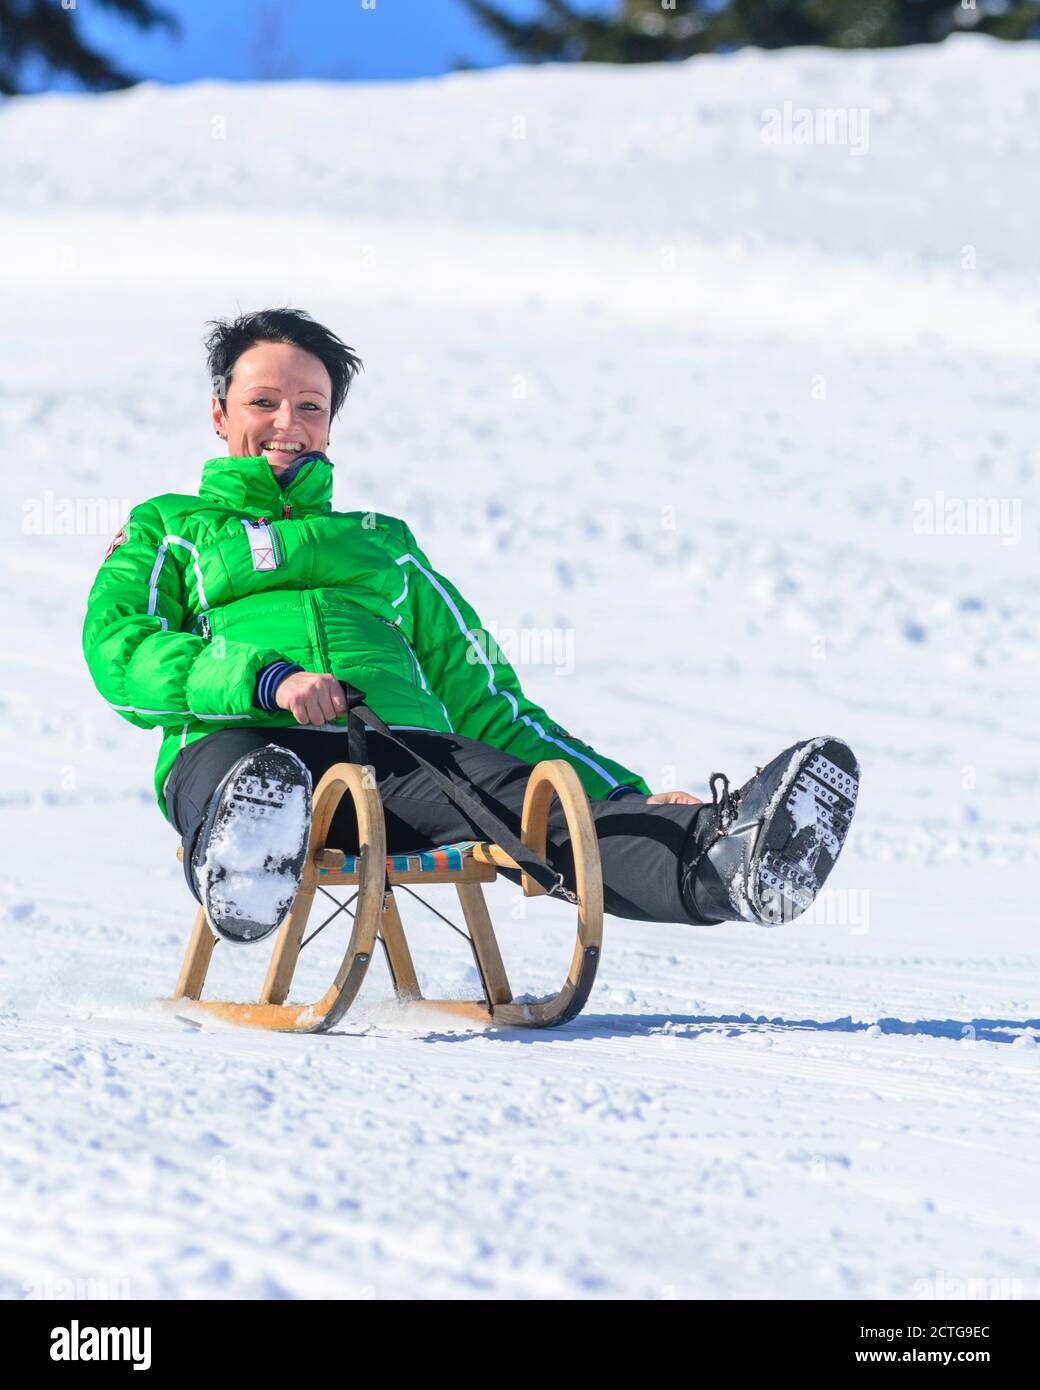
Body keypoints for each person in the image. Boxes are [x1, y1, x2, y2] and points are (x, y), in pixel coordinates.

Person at [82, 307, 859, 945]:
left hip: (388, 757)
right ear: (220, 415)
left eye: (310, 406)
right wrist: (267, 680)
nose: (288, 422)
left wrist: (628, 796)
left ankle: (715, 865)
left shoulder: (385, 546)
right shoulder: (169, 528)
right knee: (252, 781)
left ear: (329, 424)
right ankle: (246, 852)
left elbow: (488, 698)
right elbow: (122, 650)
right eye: (263, 402)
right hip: (240, 743)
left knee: (530, 807)